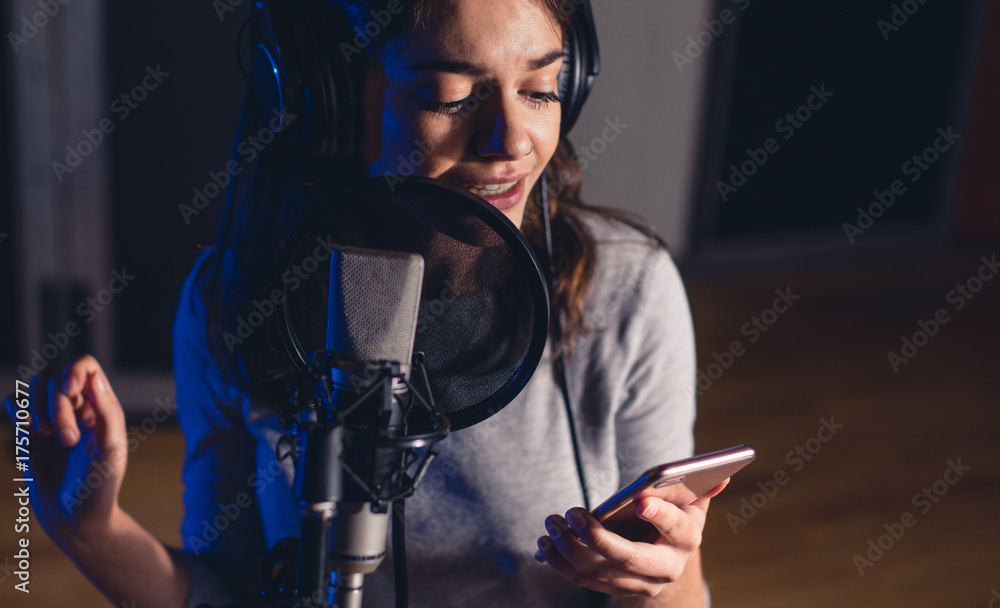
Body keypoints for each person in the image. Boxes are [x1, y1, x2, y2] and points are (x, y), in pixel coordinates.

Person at [6, 1, 727, 606]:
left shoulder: (628, 287)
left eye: (541, 88)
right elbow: (226, 586)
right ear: (325, 103)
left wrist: (663, 578)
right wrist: (90, 532)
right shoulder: (233, 303)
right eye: (449, 95)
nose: (511, 140)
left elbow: (677, 587)